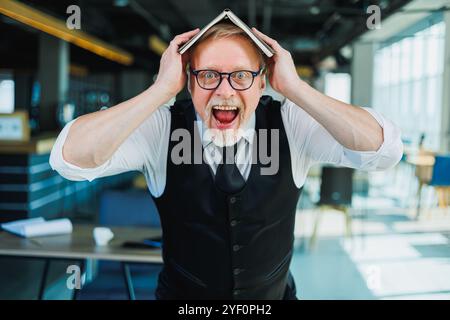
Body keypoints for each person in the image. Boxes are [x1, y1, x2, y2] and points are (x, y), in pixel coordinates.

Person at [50, 22, 403, 300]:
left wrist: (295, 88)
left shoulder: (292, 125)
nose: (224, 90)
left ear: (262, 81)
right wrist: (159, 90)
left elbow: (383, 151)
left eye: (241, 75)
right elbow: (69, 159)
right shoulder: (162, 128)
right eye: (208, 75)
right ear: (188, 82)